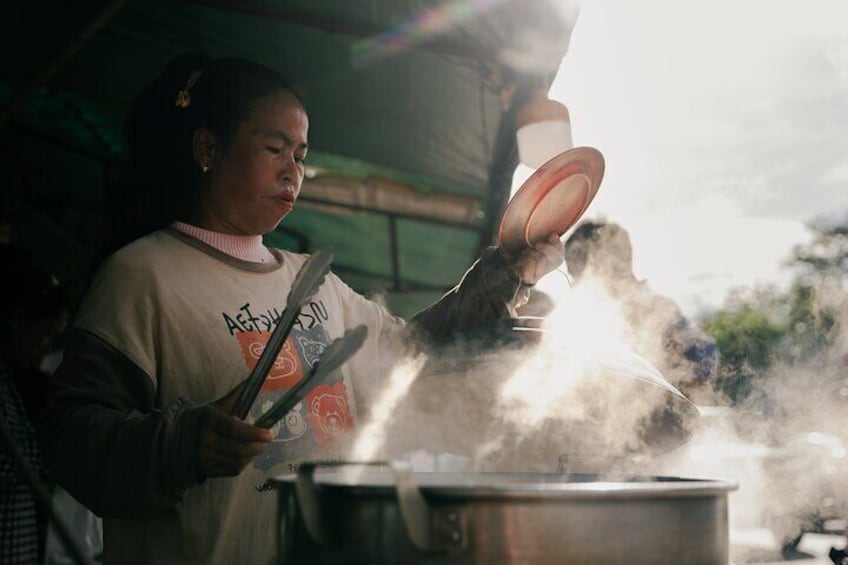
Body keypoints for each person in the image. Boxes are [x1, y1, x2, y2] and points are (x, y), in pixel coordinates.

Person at [40, 53, 563, 564]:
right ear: (207, 148)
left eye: (301, 155)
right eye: (275, 148)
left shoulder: (314, 283)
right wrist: (186, 442)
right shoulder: (141, 276)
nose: (294, 171)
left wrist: (505, 273)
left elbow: (412, 355)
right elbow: (70, 439)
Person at [563, 220, 718, 398]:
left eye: (578, 276)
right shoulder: (585, 318)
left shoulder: (658, 311)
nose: (576, 285)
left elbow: (705, 358)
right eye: (573, 276)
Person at [0, 245, 69, 565]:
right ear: (17, 320)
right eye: (46, 333)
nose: (47, 347)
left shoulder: (12, 384)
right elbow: (14, 465)